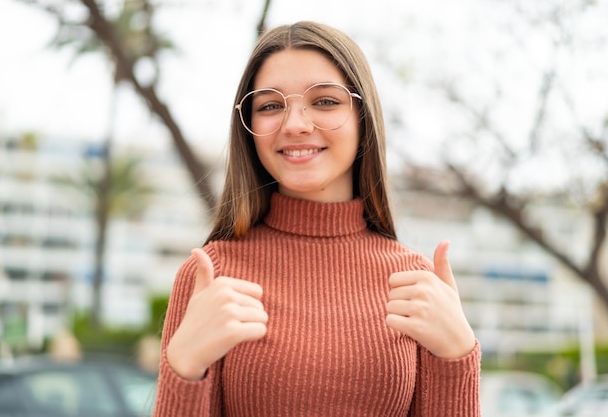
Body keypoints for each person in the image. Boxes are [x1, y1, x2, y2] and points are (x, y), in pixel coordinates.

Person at [153, 21, 480, 416]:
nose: (295, 124)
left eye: (324, 101)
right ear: (249, 128)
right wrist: (183, 370)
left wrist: (459, 356)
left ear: (363, 116)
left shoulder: (415, 284)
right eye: (270, 106)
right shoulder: (211, 275)